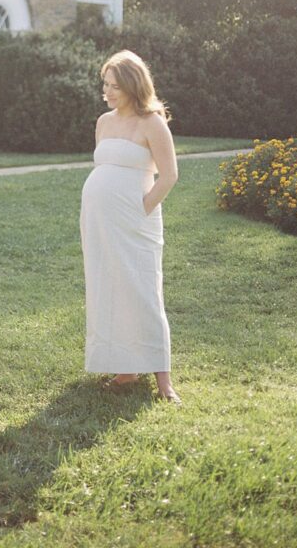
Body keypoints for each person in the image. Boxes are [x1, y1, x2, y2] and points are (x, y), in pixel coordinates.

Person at [80, 50, 181, 403]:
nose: (107, 92)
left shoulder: (152, 122)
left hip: (137, 222)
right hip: (99, 221)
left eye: (114, 86)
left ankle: (163, 379)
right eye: (105, 85)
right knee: (108, 286)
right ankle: (124, 368)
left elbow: (169, 176)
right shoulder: (103, 122)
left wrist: (143, 209)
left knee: (143, 291)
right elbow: (105, 167)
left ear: (133, 86)